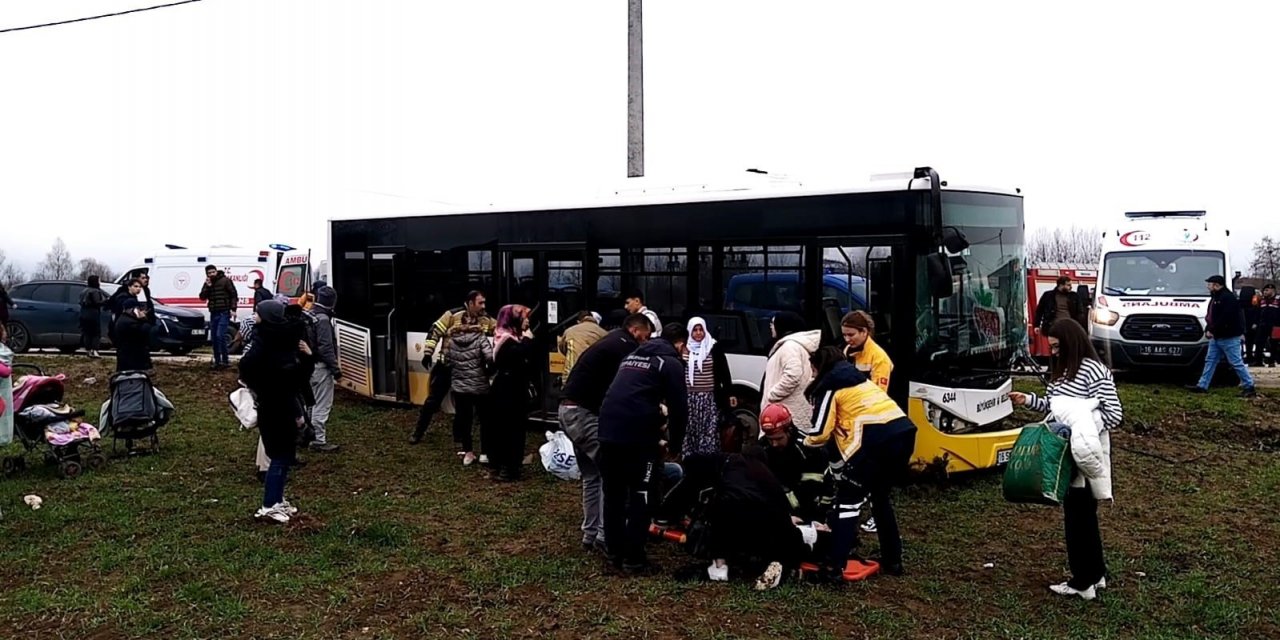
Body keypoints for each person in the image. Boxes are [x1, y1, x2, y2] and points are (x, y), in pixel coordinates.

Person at [1009, 318, 1123, 601]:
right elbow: (1053, 406)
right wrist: (1028, 400)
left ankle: (1082, 582)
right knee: (1083, 517)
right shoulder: (1060, 371)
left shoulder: (1094, 371)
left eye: (1058, 346)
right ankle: (1095, 575)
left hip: (1081, 454)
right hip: (1063, 452)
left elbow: (1114, 414)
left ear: (1071, 342)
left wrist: (1080, 426)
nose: (1054, 352)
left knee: (1078, 520)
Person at [804, 346, 917, 581]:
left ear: (820, 366)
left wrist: (802, 439)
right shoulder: (859, 380)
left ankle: (834, 567)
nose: (812, 375)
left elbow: (820, 433)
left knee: (847, 502)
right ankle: (893, 560)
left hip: (875, 444)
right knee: (880, 497)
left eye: (813, 369)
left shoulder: (830, 386)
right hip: (903, 434)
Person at [598, 322, 689, 574]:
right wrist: (676, 444)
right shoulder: (670, 363)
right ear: (680, 344)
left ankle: (613, 555)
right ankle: (634, 560)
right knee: (642, 494)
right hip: (636, 437)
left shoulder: (632, 356)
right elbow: (680, 408)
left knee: (614, 495)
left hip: (607, 430)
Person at [661, 448, 820, 590]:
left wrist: (665, 517)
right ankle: (793, 555)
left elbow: (688, 488)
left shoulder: (724, 466)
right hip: (775, 524)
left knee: (718, 511)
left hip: (742, 514)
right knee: (784, 541)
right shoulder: (763, 473)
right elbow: (781, 511)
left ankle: (719, 568)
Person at [560, 313, 654, 553]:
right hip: (583, 414)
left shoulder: (610, 342)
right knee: (611, 473)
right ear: (635, 330)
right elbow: (627, 388)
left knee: (592, 476)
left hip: (569, 410)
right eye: (647, 335)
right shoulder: (626, 348)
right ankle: (604, 535)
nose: (648, 340)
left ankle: (589, 534)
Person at [240, 299, 315, 524]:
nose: (254, 316)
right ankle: (269, 505)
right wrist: (307, 357)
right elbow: (300, 376)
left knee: (283, 456)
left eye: (257, 313)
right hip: (280, 405)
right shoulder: (285, 340)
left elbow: (247, 370)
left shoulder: (265, 342)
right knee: (280, 456)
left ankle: (275, 500)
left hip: (277, 405)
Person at [410, 291, 493, 444]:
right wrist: (428, 353)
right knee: (433, 402)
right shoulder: (451, 315)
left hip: (469, 370)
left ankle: (459, 436)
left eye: (484, 303)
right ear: (470, 302)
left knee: (464, 405)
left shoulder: (486, 319)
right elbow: (434, 331)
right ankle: (418, 432)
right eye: (480, 303)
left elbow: (500, 332)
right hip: (447, 366)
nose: (484, 306)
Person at [759, 403, 832, 524]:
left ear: (790, 430)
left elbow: (812, 491)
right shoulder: (762, 447)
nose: (774, 444)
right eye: (770, 439)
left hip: (811, 509)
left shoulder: (808, 449)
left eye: (778, 438)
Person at [490, 304, 537, 481]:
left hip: (515, 388)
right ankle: (506, 468)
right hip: (507, 390)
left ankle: (511, 466)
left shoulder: (514, 337)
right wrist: (527, 340)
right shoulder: (505, 339)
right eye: (523, 317)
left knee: (516, 429)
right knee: (508, 429)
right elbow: (517, 357)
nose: (527, 321)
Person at [1190, 276, 1256, 398]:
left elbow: (1225, 318)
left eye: (1209, 284)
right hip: (1219, 336)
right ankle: (1202, 385)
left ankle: (1249, 386)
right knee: (1211, 361)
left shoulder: (1227, 298)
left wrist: (1212, 330)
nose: (1207, 287)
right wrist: (1210, 329)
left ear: (1216, 285)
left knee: (1235, 362)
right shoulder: (1219, 297)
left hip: (1228, 337)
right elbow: (1212, 317)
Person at [446, 307, 494, 466]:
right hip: (480, 387)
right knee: (485, 421)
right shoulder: (480, 338)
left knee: (464, 420)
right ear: (475, 322)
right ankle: (485, 453)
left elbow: (447, 361)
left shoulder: (452, 340)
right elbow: (490, 358)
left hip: (459, 387)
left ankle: (468, 453)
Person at [761, 312, 822, 434]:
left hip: (786, 410)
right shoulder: (792, 345)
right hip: (790, 409)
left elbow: (793, 375)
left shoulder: (790, 346)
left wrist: (772, 394)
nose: (770, 326)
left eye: (773, 323)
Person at [682, 317, 732, 456]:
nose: (698, 333)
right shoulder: (684, 348)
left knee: (708, 432)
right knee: (690, 431)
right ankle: (691, 462)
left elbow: (724, 372)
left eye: (701, 330)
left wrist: (729, 393)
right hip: (689, 399)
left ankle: (708, 462)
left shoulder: (713, 346)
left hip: (708, 399)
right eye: (695, 330)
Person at [306, 286, 342, 452]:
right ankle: (318, 441)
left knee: (310, 403)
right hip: (320, 367)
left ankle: (306, 436)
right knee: (322, 404)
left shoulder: (309, 314)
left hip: (307, 366)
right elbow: (326, 348)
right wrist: (336, 370)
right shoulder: (323, 320)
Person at [840, 311, 893, 392]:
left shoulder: (879, 357)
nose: (847, 339)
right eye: (844, 335)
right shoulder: (847, 350)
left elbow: (879, 393)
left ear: (864, 332)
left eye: (851, 335)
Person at [200, 265, 239, 370]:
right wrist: (207, 287)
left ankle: (225, 361)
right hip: (214, 313)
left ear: (216, 271)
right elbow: (202, 297)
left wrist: (233, 309)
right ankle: (217, 361)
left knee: (220, 335)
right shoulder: (208, 283)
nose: (212, 274)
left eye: (213, 272)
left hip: (224, 312)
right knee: (214, 338)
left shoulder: (225, 281)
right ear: (207, 274)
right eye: (209, 273)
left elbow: (233, 295)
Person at [113, 279, 153, 373]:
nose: (138, 289)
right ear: (129, 287)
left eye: (140, 287)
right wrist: (143, 319)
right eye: (135, 286)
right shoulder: (124, 299)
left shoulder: (135, 300)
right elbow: (141, 330)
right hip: (128, 349)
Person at [558, 311, 607, 384]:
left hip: (571, 374)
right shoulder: (604, 333)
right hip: (594, 375)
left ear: (578, 321)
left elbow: (563, 348)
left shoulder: (569, 331)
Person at [79, 276, 109, 358]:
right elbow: (97, 302)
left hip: (83, 314)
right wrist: (107, 300)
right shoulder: (95, 291)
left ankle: (88, 350)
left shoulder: (84, 291)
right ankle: (95, 350)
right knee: (95, 333)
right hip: (93, 314)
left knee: (86, 333)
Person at [1258, 284, 1279, 368]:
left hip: (1275, 325)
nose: (1265, 292)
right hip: (1263, 325)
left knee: (1274, 344)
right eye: (1264, 290)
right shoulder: (1262, 301)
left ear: (1272, 291)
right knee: (1260, 343)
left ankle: (1272, 361)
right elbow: (1258, 312)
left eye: (1267, 290)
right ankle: (1258, 361)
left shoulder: (1277, 301)